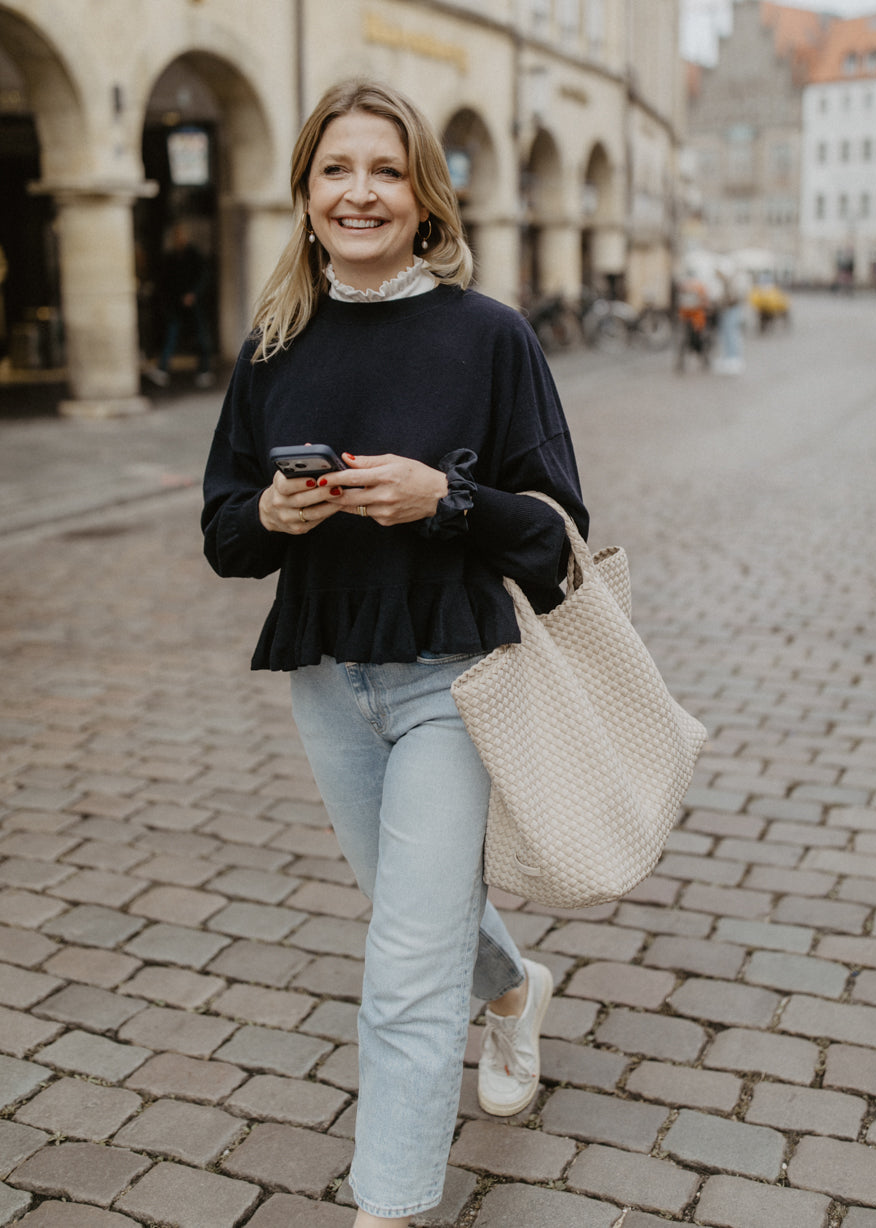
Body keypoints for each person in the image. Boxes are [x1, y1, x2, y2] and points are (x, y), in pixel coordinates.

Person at [201, 79, 588, 1226]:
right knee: (422, 919)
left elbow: (555, 538)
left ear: (425, 195)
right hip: (330, 680)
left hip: (455, 681)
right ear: (305, 194)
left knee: (405, 971)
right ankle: (516, 992)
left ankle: (390, 1207)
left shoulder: (489, 336)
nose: (357, 192)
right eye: (335, 171)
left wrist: (445, 498)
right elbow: (225, 534)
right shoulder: (275, 341)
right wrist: (271, 516)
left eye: (383, 170)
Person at [147, 220, 215, 387]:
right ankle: (162, 369)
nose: (178, 239)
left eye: (180, 235)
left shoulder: (194, 255)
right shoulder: (172, 257)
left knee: (201, 336)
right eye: (176, 236)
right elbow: (167, 281)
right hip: (176, 304)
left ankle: (204, 370)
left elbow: (203, 276)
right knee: (172, 334)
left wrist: (194, 294)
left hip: (194, 303)